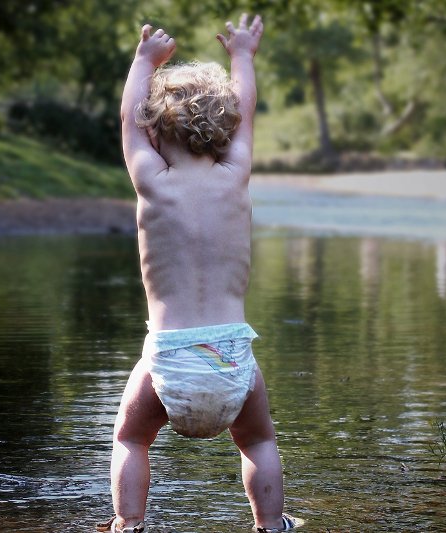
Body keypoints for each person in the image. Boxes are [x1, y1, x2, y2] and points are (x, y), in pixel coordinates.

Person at [99, 13, 302, 533]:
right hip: (233, 355)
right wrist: (242, 56)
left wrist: (143, 61)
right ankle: (270, 523)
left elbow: (126, 121)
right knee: (258, 440)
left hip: (171, 355)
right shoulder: (235, 176)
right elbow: (249, 110)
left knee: (130, 437)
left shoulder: (152, 180)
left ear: (155, 132)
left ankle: (129, 523)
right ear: (227, 129)